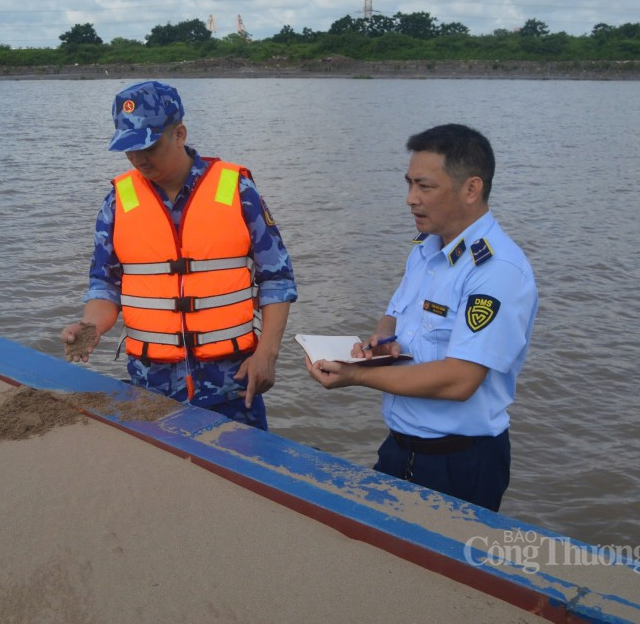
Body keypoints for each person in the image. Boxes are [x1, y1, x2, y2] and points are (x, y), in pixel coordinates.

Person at [305, 123, 537, 511]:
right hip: (400, 445)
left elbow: (460, 380)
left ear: (471, 189)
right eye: (409, 184)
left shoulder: (496, 271)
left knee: (444, 569)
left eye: (425, 187)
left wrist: (357, 375)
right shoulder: (427, 249)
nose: (411, 199)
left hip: (461, 461)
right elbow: (393, 317)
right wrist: (379, 346)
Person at [62, 80, 297, 430]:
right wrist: (91, 326)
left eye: (150, 146)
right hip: (149, 389)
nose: (139, 158)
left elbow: (277, 278)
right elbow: (105, 284)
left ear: (180, 134)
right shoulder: (117, 202)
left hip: (230, 387)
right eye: (129, 148)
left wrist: (267, 353)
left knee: (235, 481)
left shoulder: (236, 189)